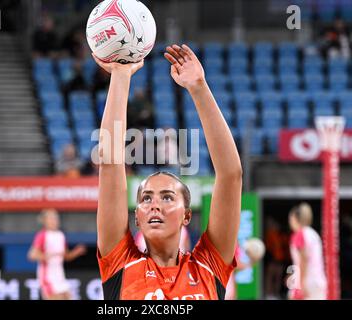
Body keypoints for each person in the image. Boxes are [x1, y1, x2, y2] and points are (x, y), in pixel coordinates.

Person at [95, 44, 242, 300]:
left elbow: (231, 175)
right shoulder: (121, 264)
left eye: (167, 197)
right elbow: (110, 163)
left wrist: (198, 88)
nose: (154, 205)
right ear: (137, 219)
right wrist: (120, 75)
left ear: (187, 216)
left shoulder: (208, 266)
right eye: (146, 198)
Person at [28, 208, 87, 300]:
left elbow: (66, 256)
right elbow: (32, 255)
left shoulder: (61, 235)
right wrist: (47, 256)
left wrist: (76, 252)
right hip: (47, 277)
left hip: (59, 275)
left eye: (56, 218)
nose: (55, 220)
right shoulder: (42, 235)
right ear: (45, 221)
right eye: (51, 218)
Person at [288, 202, 327, 300]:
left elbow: (304, 259)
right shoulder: (314, 234)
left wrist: (300, 284)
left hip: (307, 281)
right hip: (319, 280)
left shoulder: (299, 234)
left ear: (295, 218)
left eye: (290, 219)